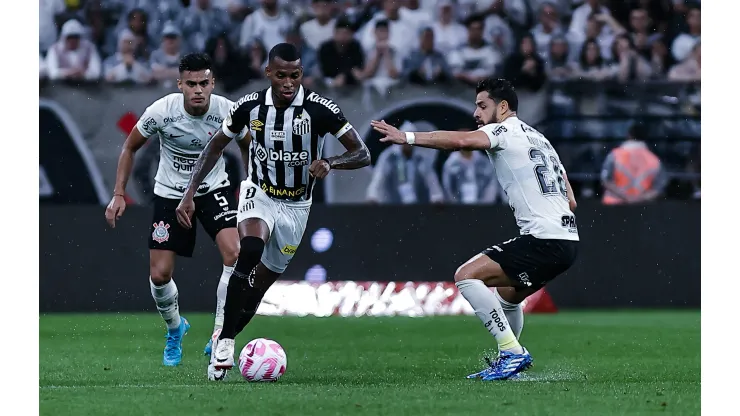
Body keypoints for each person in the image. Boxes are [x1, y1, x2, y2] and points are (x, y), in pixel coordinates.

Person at [175, 43, 371, 381]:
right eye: (281, 75)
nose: (288, 83)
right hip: (259, 193)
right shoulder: (248, 107)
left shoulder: (321, 109)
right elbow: (215, 146)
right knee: (249, 250)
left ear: (301, 75)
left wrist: (331, 162)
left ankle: (228, 335)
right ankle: (223, 344)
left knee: (259, 286)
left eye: (294, 76)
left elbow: (362, 152)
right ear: (268, 73)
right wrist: (189, 193)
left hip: (297, 206)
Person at [370, 78, 579, 381]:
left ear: (503, 107)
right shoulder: (541, 140)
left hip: (543, 239)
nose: (476, 113)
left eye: (482, 105)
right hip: (568, 241)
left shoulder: (503, 130)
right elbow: (571, 200)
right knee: (508, 296)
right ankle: (508, 363)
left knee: (465, 276)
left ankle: (512, 352)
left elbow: (461, 141)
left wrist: (408, 137)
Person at [104, 53, 244, 367]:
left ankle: (221, 333)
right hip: (169, 194)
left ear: (212, 84)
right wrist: (118, 194)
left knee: (235, 253)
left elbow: (248, 144)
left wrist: (249, 188)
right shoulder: (162, 111)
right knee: (160, 274)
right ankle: (175, 327)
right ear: (179, 84)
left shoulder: (228, 111)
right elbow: (130, 146)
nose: (198, 90)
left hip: (212, 190)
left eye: (204, 83)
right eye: (191, 83)